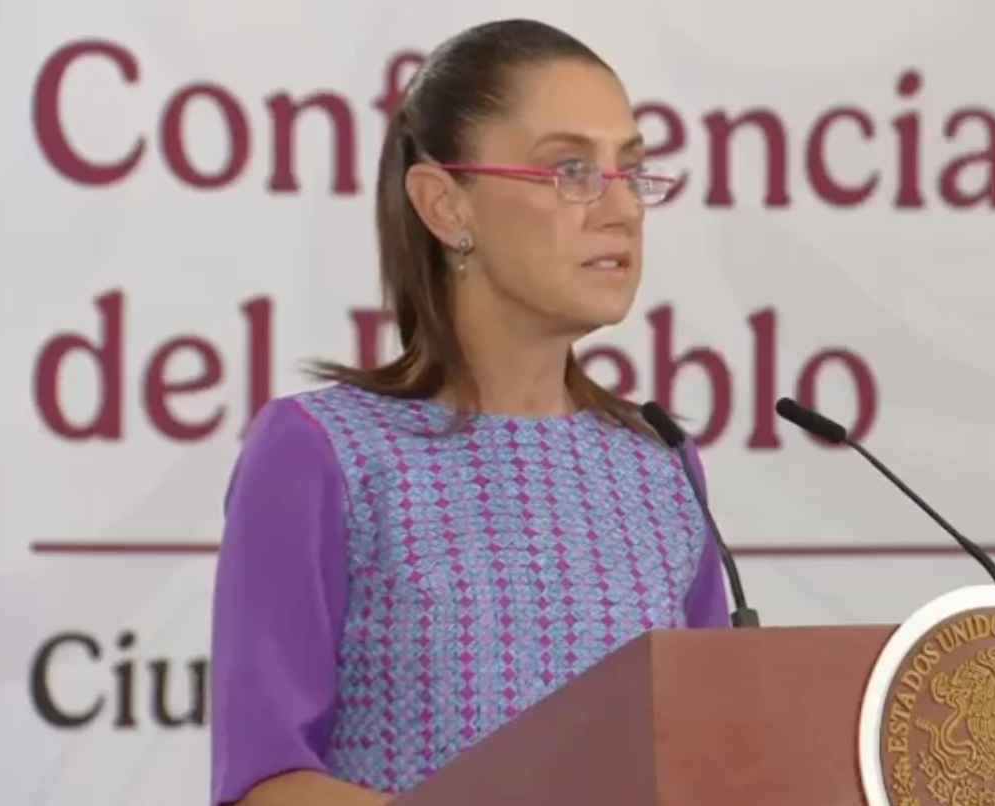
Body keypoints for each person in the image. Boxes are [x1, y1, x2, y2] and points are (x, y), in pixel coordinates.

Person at [208, 19, 732, 806]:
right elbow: (264, 783)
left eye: (630, 169)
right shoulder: (321, 454)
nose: (622, 209)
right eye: (571, 170)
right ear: (446, 206)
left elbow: (718, 761)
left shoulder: (661, 467)